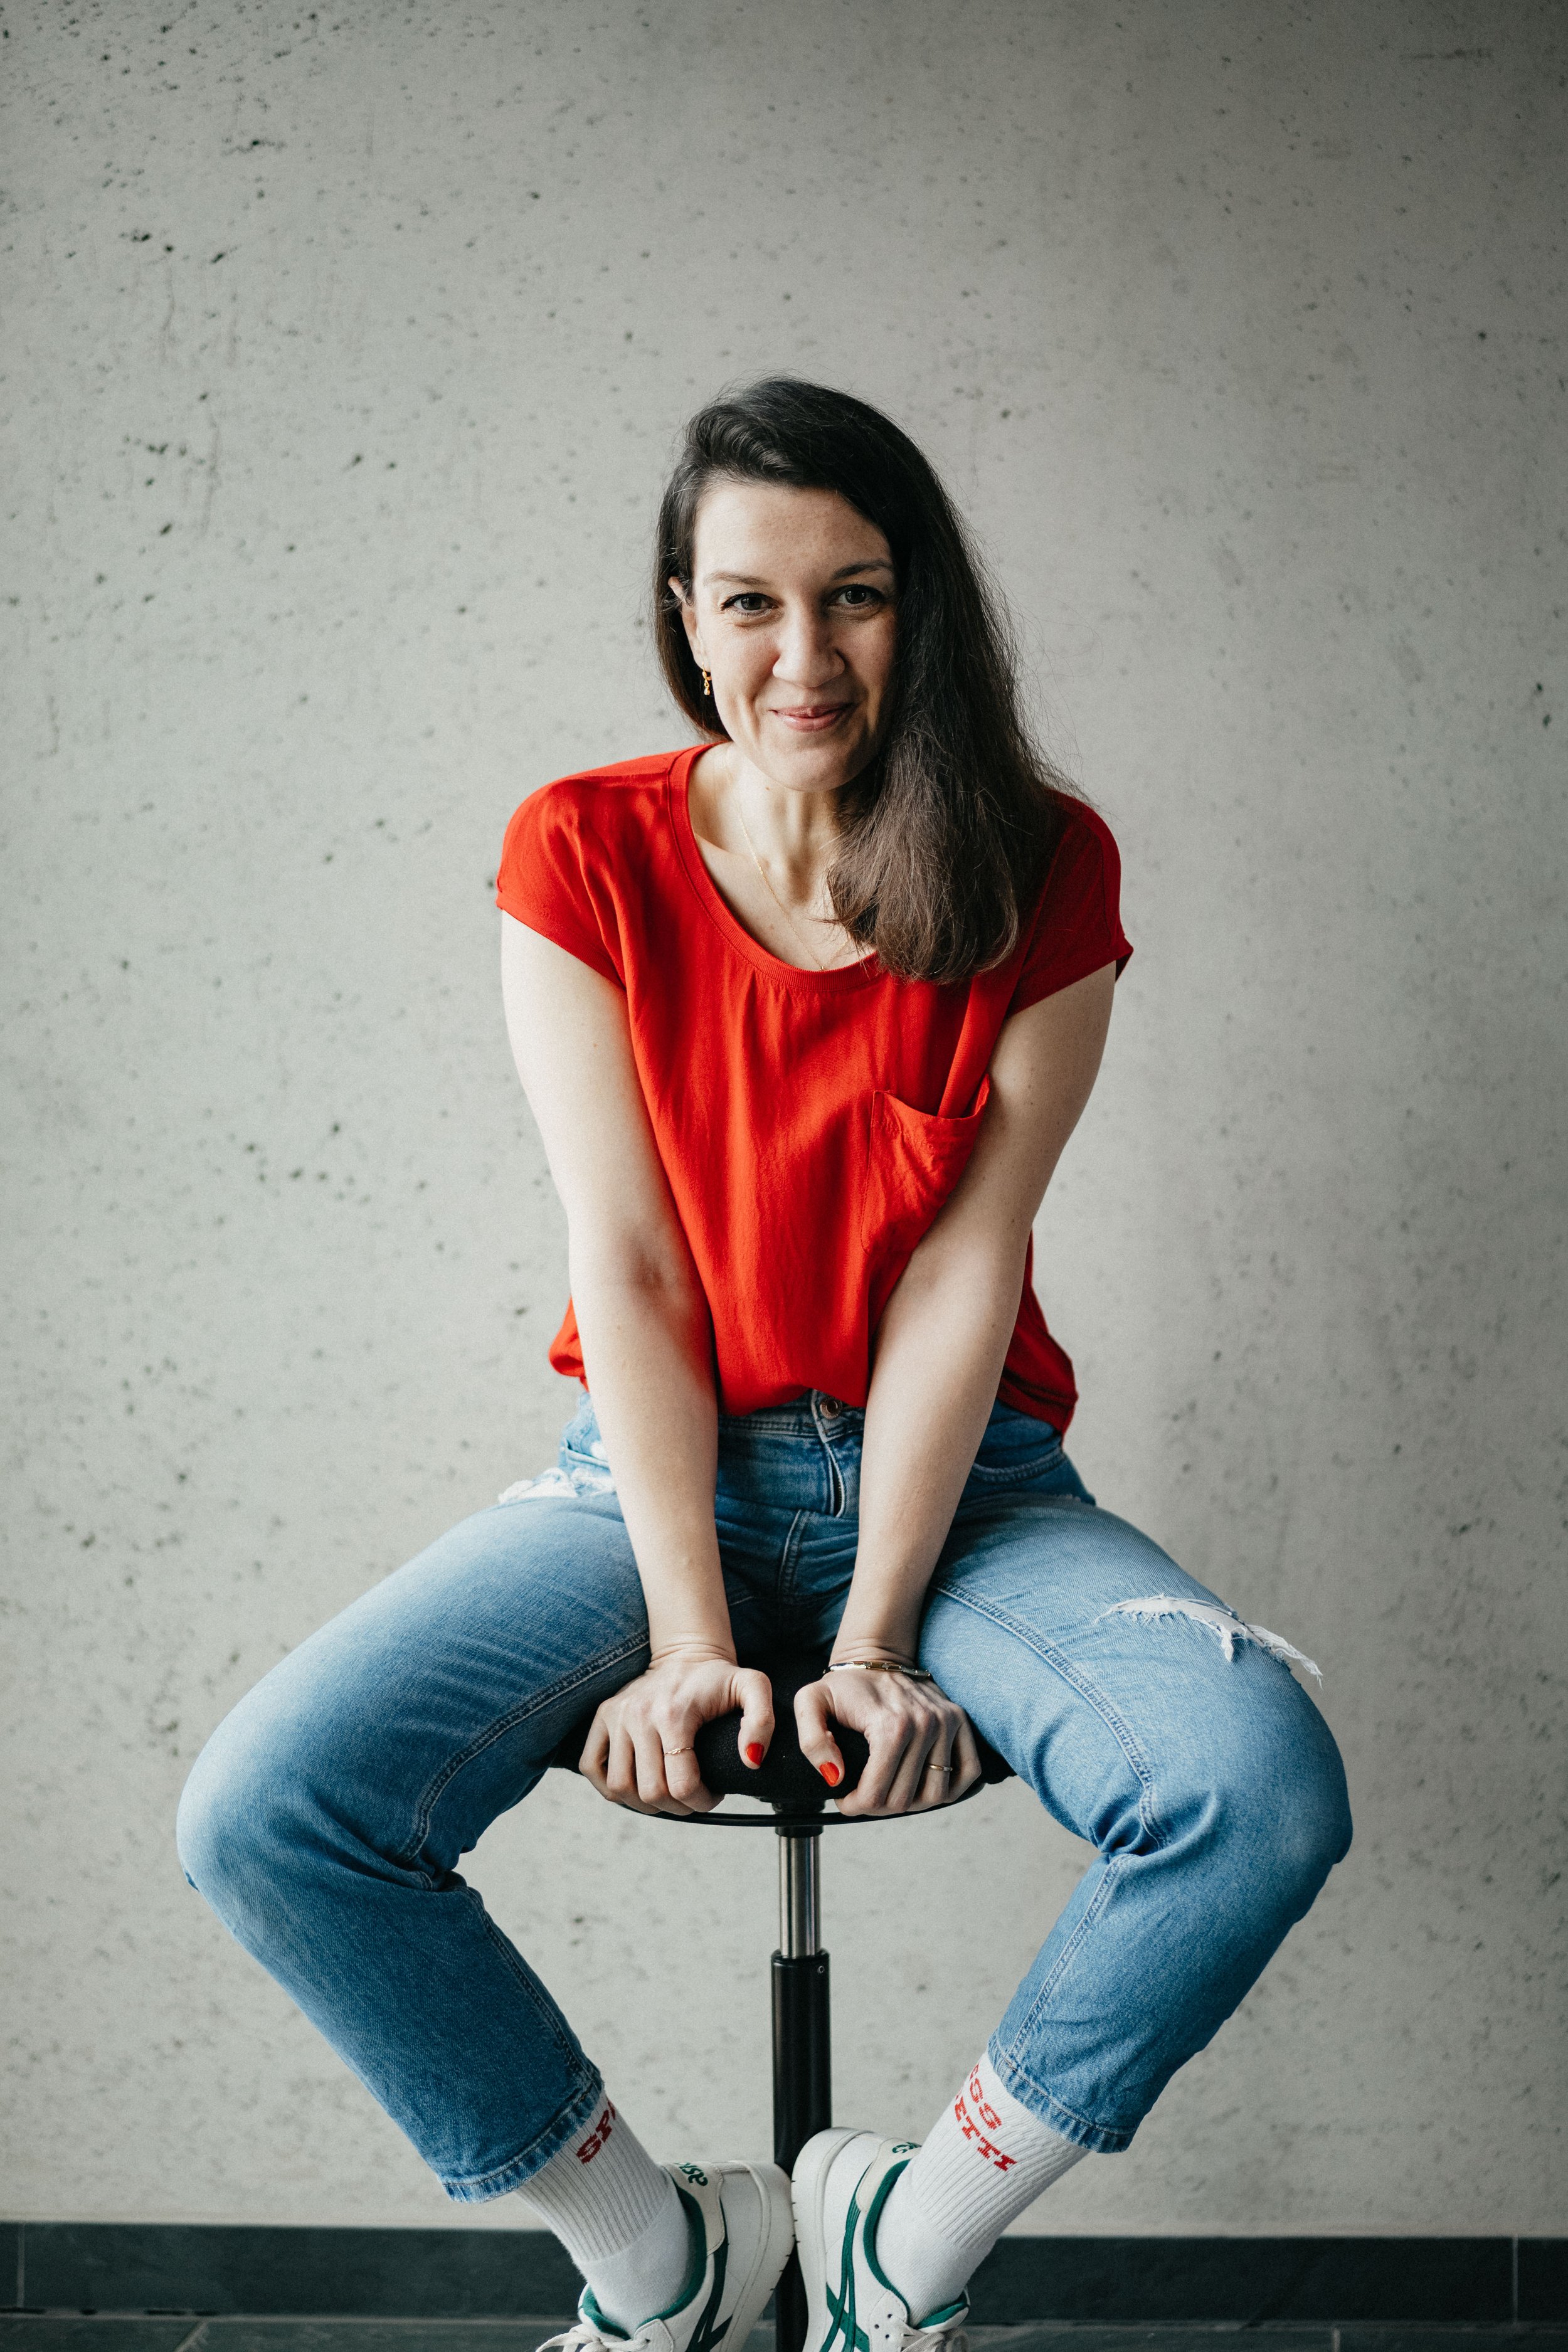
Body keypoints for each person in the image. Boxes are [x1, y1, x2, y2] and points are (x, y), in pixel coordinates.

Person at [177, 378, 1352, 2352]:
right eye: (746, 603)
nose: (799, 657)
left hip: (962, 1486)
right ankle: (665, 2260)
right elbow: (629, 1270)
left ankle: (904, 2232)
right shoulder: (582, 852)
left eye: (856, 597)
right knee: (269, 1809)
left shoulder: (1042, 866)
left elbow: (964, 1272)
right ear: (682, 611)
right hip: (650, 1475)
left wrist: (876, 1640)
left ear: (924, 612)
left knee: (1257, 1782)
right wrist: (681, 1629)